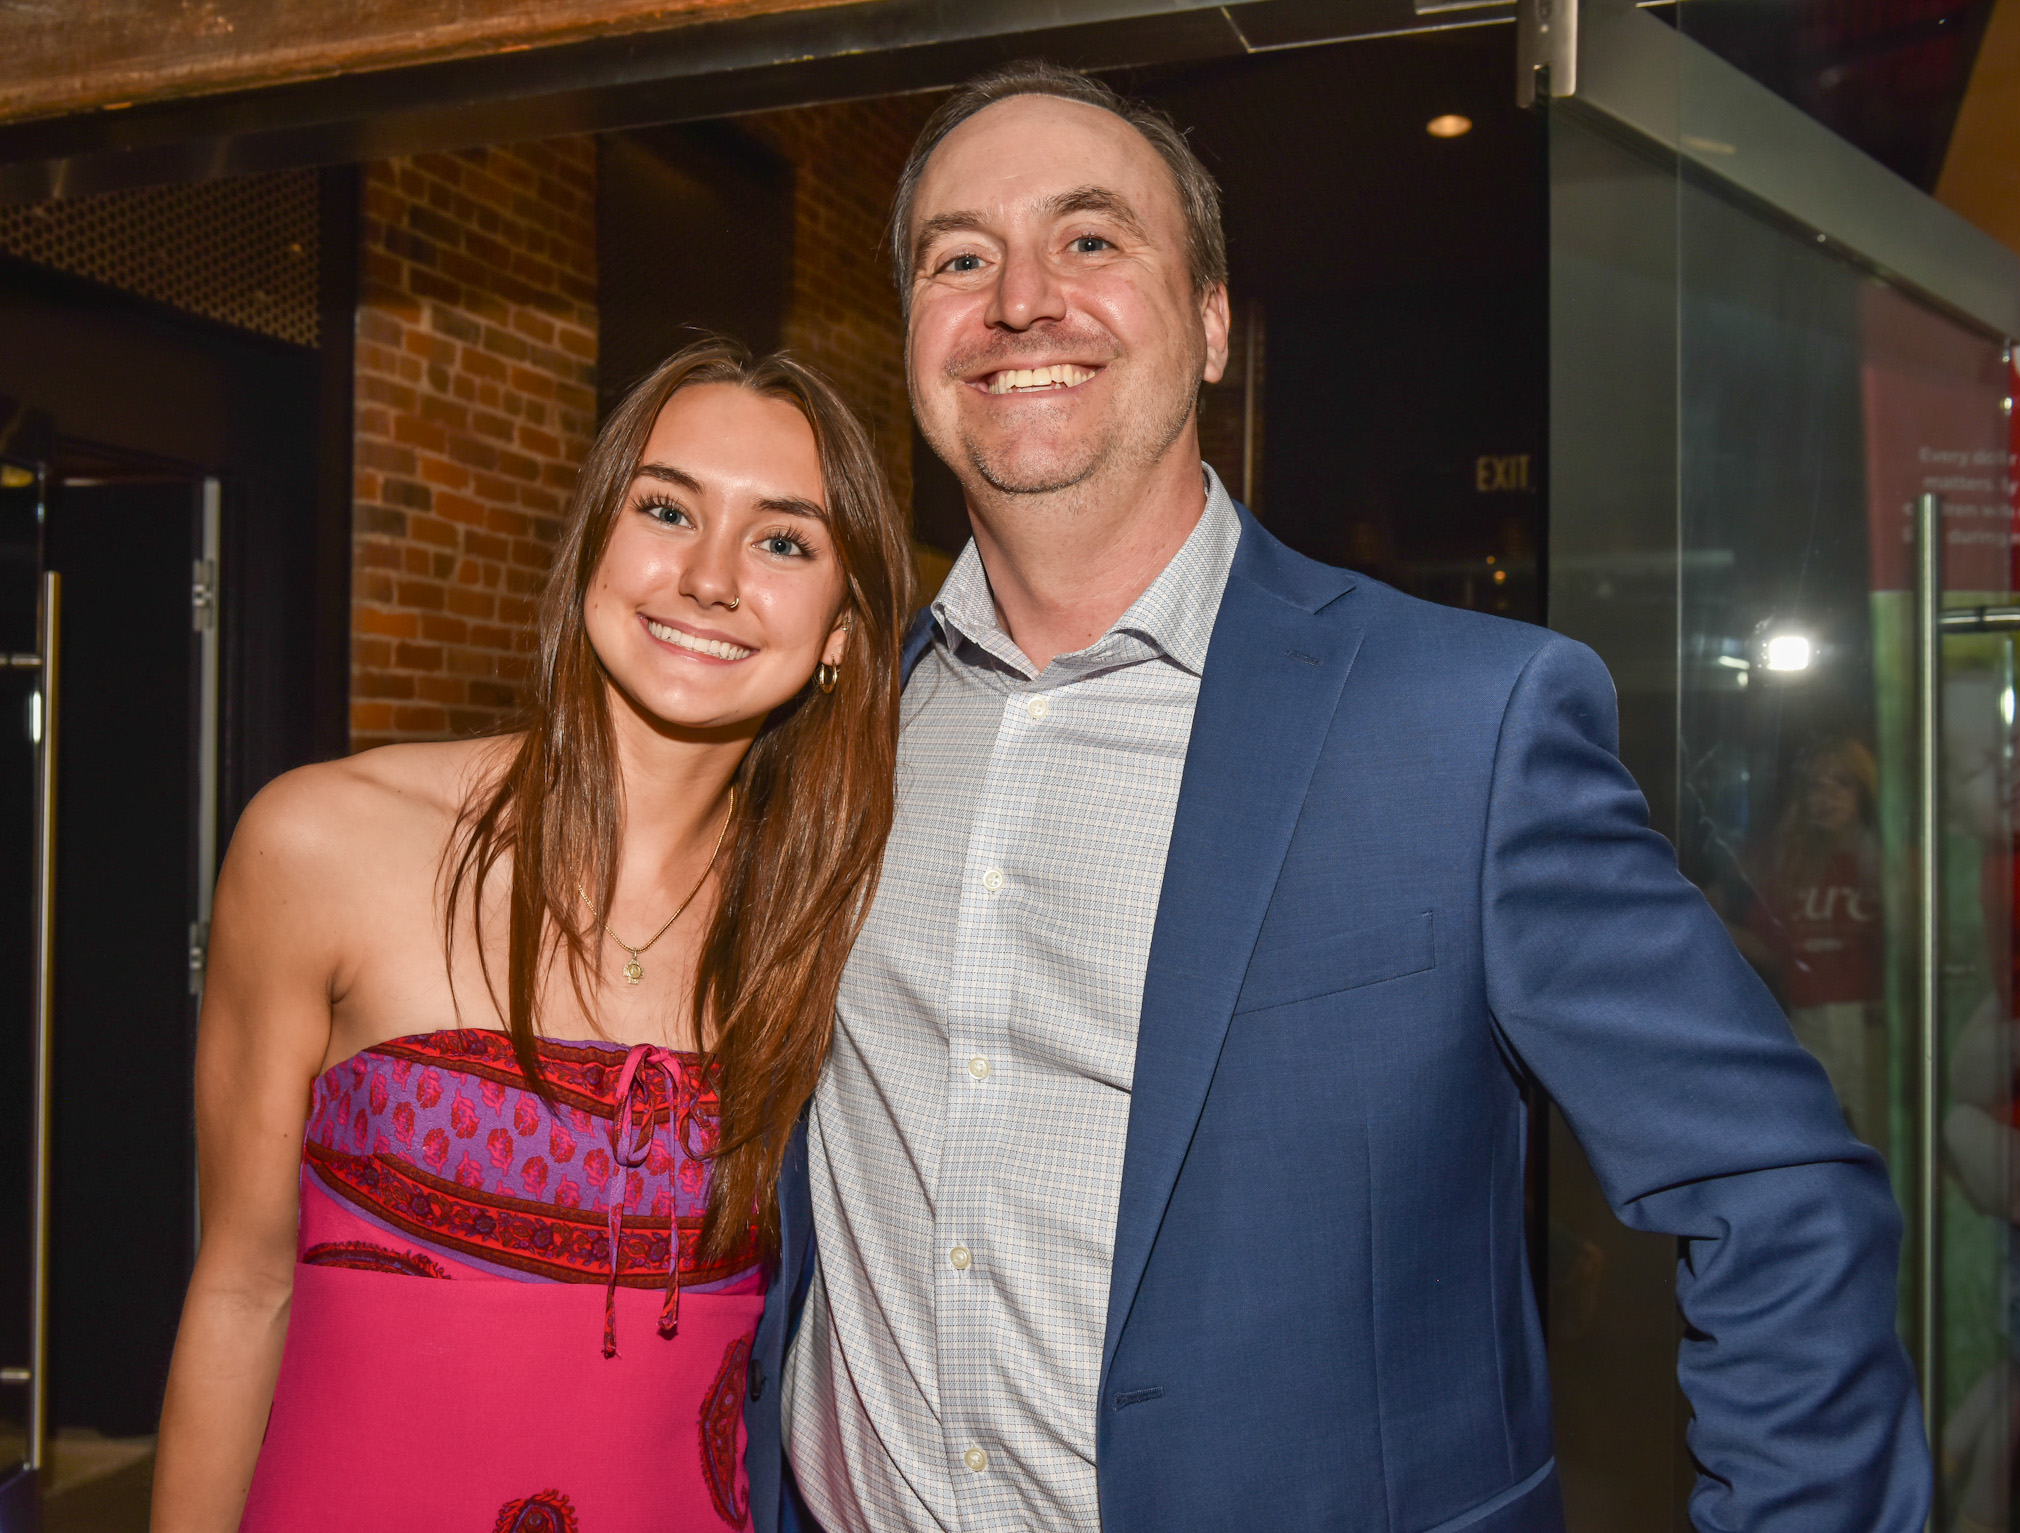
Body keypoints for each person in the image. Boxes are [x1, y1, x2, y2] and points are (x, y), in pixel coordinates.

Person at [739, 63, 1933, 1533]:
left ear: (1213, 325)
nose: (1022, 300)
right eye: (959, 259)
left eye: (1090, 239)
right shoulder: (824, 727)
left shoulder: (1461, 723)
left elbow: (1779, 1196)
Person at [151, 337, 913, 1533]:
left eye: (782, 542)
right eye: (666, 509)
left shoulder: (835, 926)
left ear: (840, 634)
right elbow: (242, 1289)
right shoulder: (321, 844)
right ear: (591, 541)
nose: (708, 577)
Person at [1733, 738, 1885, 1141]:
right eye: (1817, 786)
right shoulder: (1793, 866)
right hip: (1810, 1024)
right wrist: (1702, 916)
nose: (1827, 797)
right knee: (1804, 1141)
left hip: (1873, 1030)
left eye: (1842, 784)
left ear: (1865, 793)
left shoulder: (1888, 864)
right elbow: (1770, 946)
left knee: (1884, 1148)